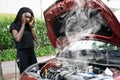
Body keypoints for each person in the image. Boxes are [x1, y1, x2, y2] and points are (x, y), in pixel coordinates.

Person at [10, 7, 37, 74]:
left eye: (29, 17)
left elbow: (35, 38)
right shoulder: (14, 25)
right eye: (26, 17)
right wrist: (23, 24)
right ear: (21, 15)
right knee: (25, 74)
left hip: (31, 52)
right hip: (22, 54)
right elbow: (18, 39)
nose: (27, 19)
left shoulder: (29, 26)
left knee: (35, 72)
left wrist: (31, 26)